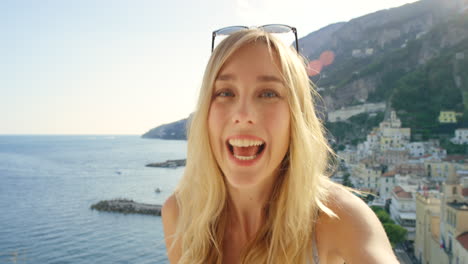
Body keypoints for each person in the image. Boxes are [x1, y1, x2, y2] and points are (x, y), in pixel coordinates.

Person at [162, 26, 399, 264]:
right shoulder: (179, 214)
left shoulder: (339, 218)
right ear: (205, 113)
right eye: (225, 92)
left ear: (296, 117)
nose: (243, 115)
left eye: (268, 94)